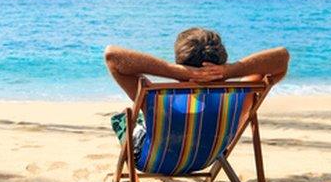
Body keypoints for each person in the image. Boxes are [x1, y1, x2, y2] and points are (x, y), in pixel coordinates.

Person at [103, 27, 289, 156]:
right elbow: (282, 58)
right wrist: (229, 71)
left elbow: (112, 56)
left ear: (180, 63)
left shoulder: (156, 101)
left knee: (122, 119)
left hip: (157, 159)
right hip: (209, 156)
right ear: (222, 60)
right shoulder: (240, 95)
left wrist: (174, 71)